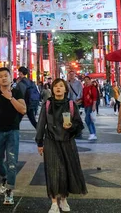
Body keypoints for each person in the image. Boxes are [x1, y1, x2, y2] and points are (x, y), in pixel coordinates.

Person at [36, 78, 87, 213]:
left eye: (61, 86)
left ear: (65, 89)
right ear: (52, 89)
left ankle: (63, 199)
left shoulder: (71, 104)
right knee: (52, 171)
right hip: (51, 141)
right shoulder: (47, 104)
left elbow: (79, 125)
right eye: (55, 86)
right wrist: (40, 142)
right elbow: (41, 124)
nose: (58, 88)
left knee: (66, 171)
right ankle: (54, 202)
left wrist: (70, 127)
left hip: (67, 141)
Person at [0, 67, 27, 205]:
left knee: (12, 163)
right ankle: (5, 177)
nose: (3, 78)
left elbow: (23, 109)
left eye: (5, 75)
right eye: (0, 76)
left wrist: (11, 98)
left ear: (10, 77)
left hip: (13, 131)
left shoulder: (17, 92)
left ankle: (9, 192)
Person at [82, 76, 98, 140]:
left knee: (87, 119)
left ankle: (92, 133)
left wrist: (94, 105)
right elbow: (83, 97)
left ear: (90, 80)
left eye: (87, 80)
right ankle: (93, 133)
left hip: (91, 105)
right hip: (86, 105)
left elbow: (95, 97)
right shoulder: (84, 88)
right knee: (90, 120)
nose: (86, 81)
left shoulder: (92, 88)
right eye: (85, 80)